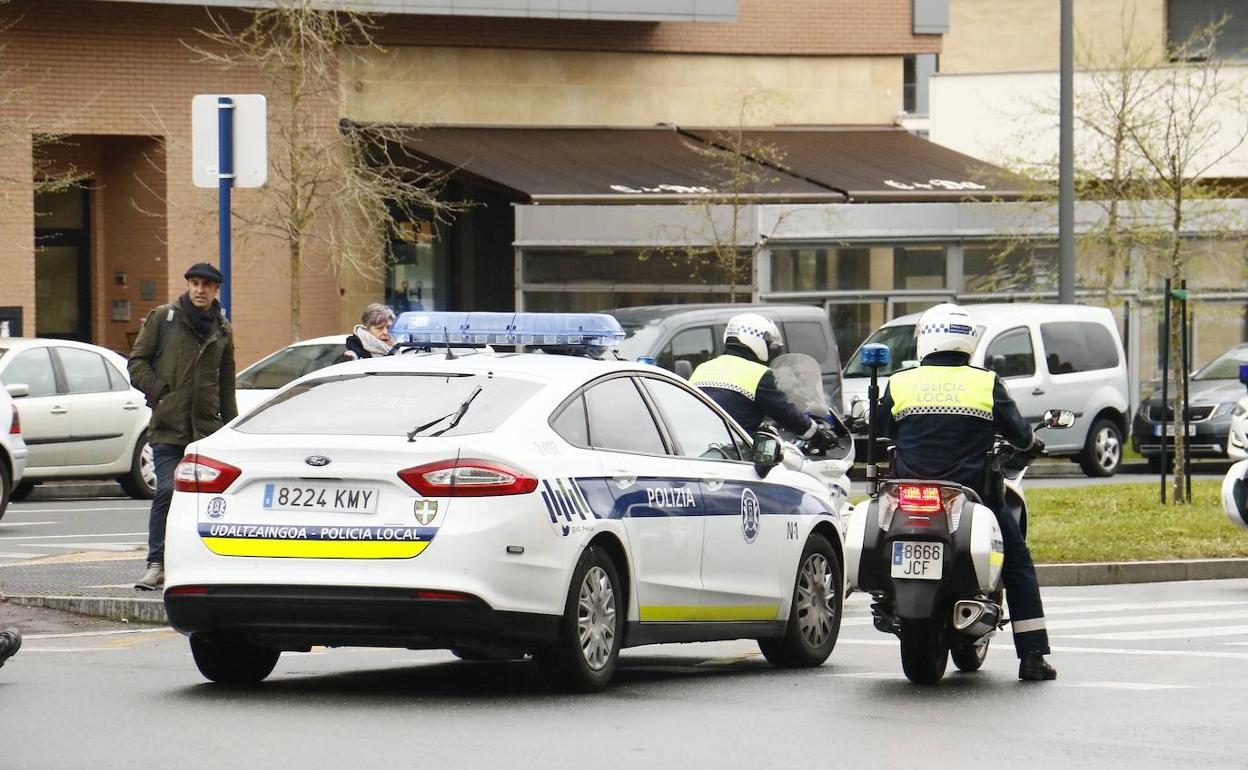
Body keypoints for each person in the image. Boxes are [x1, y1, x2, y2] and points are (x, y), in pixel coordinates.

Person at [875, 303, 1056, 681]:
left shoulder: (900, 382)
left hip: (907, 498)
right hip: (973, 497)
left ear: (925, 339)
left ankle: (888, 598)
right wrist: (1031, 443)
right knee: (1017, 563)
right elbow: (1020, 435)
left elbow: (880, 431)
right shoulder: (985, 383)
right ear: (968, 341)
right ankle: (1033, 656)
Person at [128, 262, 237, 591]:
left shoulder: (223, 330)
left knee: (211, 501)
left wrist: (231, 429)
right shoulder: (165, 318)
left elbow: (226, 384)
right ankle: (156, 564)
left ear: (216, 290)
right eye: (195, 283)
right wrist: (160, 392)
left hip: (206, 431)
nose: (199, 290)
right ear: (188, 286)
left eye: (206, 285)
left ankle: (204, 563)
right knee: (167, 490)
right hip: (168, 426)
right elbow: (137, 362)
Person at [690, 313, 837, 450]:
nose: (770, 350)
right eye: (768, 344)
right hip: (736, 451)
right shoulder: (758, 374)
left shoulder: (702, 368)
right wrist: (817, 435)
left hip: (698, 448)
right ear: (755, 340)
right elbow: (786, 413)